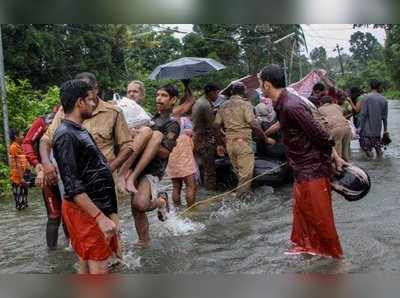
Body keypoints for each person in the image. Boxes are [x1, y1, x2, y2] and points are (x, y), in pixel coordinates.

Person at [40, 72, 133, 259]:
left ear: (94, 91)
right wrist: (46, 163)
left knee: (112, 231)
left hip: (102, 183)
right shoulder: (65, 117)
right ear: (77, 102)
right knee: (89, 245)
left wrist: (111, 167)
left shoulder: (113, 112)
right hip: (79, 186)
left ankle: (116, 264)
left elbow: (128, 146)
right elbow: (46, 140)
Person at [259, 64, 346, 259]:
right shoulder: (281, 104)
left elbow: (320, 135)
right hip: (301, 168)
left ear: (266, 84)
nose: (259, 87)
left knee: (321, 218)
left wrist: (334, 156)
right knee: (304, 213)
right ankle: (308, 247)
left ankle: (336, 260)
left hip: (313, 168)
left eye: (259, 83)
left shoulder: (291, 105)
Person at [53, 79, 118, 274]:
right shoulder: (65, 135)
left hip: (92, 207)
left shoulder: (79, 130)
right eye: (90, 100)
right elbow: (71, 185)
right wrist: (100, 218)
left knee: (88, 264)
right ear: (79, 102)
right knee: (98, 268)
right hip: (86, 211)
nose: (93, 104)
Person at [122, 84, 180, 247]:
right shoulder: (150, 118)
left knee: (140, 204)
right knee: (136, 209)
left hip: (154, 168)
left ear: (173, 100)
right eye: (157, 95)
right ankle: (144, 241)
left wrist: (147, 139)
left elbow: (164, 153)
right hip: (137, 164)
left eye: (164, 95)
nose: (159, 98)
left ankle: (161, 201)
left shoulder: (172, 124)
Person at [214, 82, 275, 196]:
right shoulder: (245, 105)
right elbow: (254, 125)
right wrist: (266, 139)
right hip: (243, 143)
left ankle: (244, 196)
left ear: (231, 92)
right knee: (245, 177)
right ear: (244, 92)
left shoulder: (223, 106)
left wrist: (220, 144)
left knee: (239, 174)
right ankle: (240, 204)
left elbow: (216, 126)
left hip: (230, 144)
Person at [22, 110, 70, 249]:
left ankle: (73, 250)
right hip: (49, 175)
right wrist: (37, 164)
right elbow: (27, 142)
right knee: (54, 216)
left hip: (69, 174)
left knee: (71, 215)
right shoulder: (43, 121)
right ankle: (53, 255)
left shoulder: (81, 116)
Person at [191, 83, 220, 190]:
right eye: (217, 93)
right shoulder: (206, 105)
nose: (217, 96)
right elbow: (212, 126)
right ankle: (210, 193)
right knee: (210, 171)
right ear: (212, 92)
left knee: (201, 169)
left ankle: (201, 190)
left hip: (197, 140)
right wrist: (219, 143)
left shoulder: (199, 102)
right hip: (204, 141)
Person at [166, 116, 198, 207]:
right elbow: (192, 136)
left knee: (176, 186)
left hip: (172, 154)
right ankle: (191, 209)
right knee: (191, 185)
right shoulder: (184, 120)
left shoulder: (168, 120)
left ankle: (177, 210)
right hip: (184, 155)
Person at [359, 79, 389, 158]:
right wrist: (385, 130)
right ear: (379, 87)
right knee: (378, 149)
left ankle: (372, 167)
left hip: (367, 131)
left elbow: (363, 114)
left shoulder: (366, 98)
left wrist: (360, 128)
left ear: (370, 87)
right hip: (377, 131)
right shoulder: (384, 99)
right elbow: (385, 118)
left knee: (367, 150)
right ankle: (379, 165)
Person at [319, 96, 352, 161]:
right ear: (331, 101)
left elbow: (321, 123)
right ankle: (348, 167)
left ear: (321, 102)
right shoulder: (337, 106)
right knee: (346, 154)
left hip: (336, 129)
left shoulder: (320, 109)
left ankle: (338, 170)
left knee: (337, 156)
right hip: (347, 128)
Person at [9, 129, 30, 210]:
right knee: (20, 205)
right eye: (21, 135)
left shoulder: (20, 146)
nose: (23, 136)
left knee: (24, 202)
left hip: (22, 178)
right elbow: (16, 165)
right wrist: (21, 179)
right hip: (18, 180)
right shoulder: (14, 147)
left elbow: (23, 163)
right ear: (16, 137)